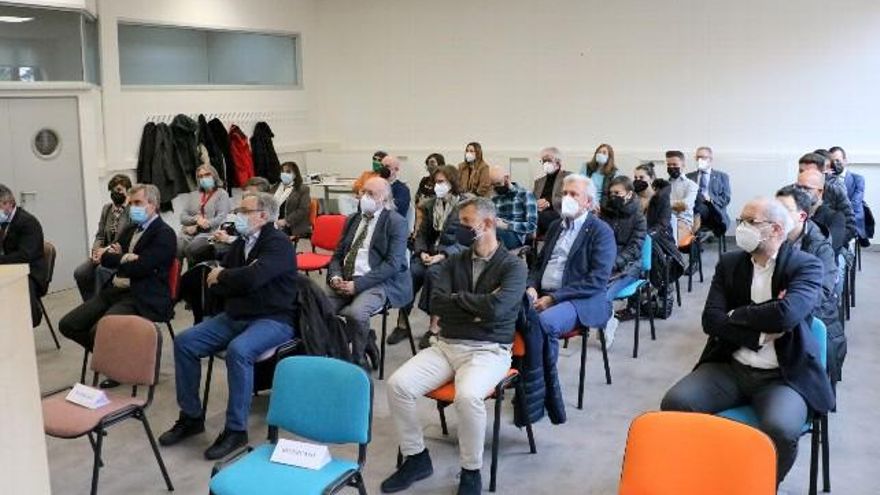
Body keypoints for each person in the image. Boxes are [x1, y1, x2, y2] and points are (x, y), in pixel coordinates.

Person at [660, 197, 835, 484]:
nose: (741, 227)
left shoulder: (806, 266)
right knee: (675, 403)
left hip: (783, 376)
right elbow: (711, 320)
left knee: (781, 429)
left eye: (750, 222)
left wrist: (736, 314)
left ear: (776, 229)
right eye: (741, 220)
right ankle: (702, 477)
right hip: (731, 367)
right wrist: (760, 332)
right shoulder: (730, 263)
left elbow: (787, 315)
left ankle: (762, 485)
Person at [381, 197, 527, 495]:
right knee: (397, 385)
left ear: (488, 224)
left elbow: (499, 310)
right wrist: (476, 307)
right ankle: (416, 457)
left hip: (489, 350)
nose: (459, 229)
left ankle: (471, 471)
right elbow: (436, 303)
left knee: (468, 397)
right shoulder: (453, 261)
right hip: (447, 345)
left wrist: (458, 303)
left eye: (466, 223)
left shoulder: (514, 266)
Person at [159, 192, 298, 460]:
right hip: (237, 314)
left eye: (244, 211)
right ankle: (191, 416)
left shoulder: (278, 243)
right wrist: (233, 278)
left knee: (239, 351)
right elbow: (219, 282)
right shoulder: (242, 242)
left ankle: (236, 430)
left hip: (273, 318)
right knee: (185, 342)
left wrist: (228, 277)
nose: (237, 215)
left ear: (263, 216)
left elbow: (251, 278)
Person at [59, 184, 176, 381]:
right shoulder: (130, 229)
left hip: (143, 295)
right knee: (68, 324)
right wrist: (125, 257)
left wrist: (120, 258)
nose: (133, 208)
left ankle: (117, 365)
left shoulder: (164, 233)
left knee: (101, 330)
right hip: (115, 290)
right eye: (131, 204)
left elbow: (142, 268)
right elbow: (105, 259)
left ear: (153, 205)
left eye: (138, 203)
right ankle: (118, 359)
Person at [328, 177, 412, 370]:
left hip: (379, 281)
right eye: (363, 192)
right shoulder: (352, 219)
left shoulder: (396, 222)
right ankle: (362, 341)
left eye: (370, 194)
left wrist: (358, 285)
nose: (364, 197)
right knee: (318, 308)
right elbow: (337, 255)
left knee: (356, 314)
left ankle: (358, 360)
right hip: (346, 277)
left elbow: (392, 264)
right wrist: (335, 276)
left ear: (384, 199)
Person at [526, 174, 616, 351]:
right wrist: (531, 286)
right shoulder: (555, 226)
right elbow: (538, 265)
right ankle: (523, 367)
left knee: (543, 323)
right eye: (564, 193)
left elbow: (597, 280)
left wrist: (553, 298)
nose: (567, 198)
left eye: (574, 194)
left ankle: (544, 370)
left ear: (588, 202)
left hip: (579, 300)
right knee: (506, 316)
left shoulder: (601, 231)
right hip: (543, 294)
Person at [386, 165, 470, 349]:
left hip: (453, 255)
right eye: (435, 182)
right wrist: (422, 251)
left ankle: (434, 328)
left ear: (452, 183)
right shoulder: (431, 205)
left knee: (434, 274)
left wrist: (443, 255)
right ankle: (402, 324)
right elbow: (422, 234)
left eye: (441, 182)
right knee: (411, 272)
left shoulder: (465, 206)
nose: (437, 186)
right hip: (430, 253)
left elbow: (466, 241)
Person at [776, 186, 845, 385]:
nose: (775, 216)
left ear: (802, 216)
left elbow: (820, 293)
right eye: (774, 209)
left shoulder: (820, 247)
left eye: (783, 210)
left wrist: (789, 303)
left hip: (814, 316)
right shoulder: (771, 237)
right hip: (778, 313)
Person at [598, 176, 647, 344]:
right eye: (611, 193)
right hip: (605, 263)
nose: (613, 197)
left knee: (605, 295)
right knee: (588, 289)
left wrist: (614, 263)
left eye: (617, 193)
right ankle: (606, 319)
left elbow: (635, 248)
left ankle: (608, 322)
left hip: (629, 266)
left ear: (629, 194)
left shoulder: (638, 217)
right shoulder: (604, 214)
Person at [73, 175, 132, 302]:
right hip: (101, 253)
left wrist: (104, 251)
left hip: (118, 254)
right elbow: (100, 235)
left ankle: (99, 305)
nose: (115, 193)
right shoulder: (107, 209)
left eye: (119, 190)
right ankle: (89, 303)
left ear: (128, 191)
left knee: (101, 270)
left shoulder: (132, 211)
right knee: (80, 273)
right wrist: (95, 252)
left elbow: (125, 240)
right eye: (112, 191)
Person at [0, 183, 48, 327]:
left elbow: (24, 256)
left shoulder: (28, 222)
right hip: (10, 269)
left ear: (8, 203)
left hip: (31, 273)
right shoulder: (4, 221)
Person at [178, 164, 231, 265]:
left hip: (210, 233)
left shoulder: (222, 194)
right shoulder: (194, 195)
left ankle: (195, 272)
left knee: (193, 248)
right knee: (177, 245)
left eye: (207, 175)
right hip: (189, 232)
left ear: (214, 176)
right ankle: (176, 274)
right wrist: (196, 219)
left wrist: (199, 226)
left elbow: (221, 217)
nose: (203, 178)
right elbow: (183, 217)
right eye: (200, 176)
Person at [797, 152, 856, 245]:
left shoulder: (836, 192)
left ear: (822, 173)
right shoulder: (791, 194)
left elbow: (850, 226)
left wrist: (829, 246)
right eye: (801, 171)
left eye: (810, 172)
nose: (804, 175)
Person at [797, 170, 847, 253]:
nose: (801, 192)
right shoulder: (793, 214)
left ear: (820, 192)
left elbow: (828, 250)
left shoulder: (835, 218)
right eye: (798, 188)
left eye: (807, 188)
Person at [685, 146, 731, 239]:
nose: (700, 160)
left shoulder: (722, 176)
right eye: (698, 157)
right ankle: (696, 236)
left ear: (710, 159)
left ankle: (692, 235)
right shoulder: (688, 177)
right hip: (692, 209)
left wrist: (710, 199)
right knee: (697, 201)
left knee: (700, 204)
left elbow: (726, 198)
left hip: (713, 211)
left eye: (703, 157)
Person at [488, 165, 538, 249]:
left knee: (489, 236)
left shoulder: (525, 195)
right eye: (493, 185)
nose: (496, 187)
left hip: (515, 235)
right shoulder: (494, 198)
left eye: (498, 183)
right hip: (496, 231)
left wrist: (507, 225)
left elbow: (532, 226)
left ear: (507, 178)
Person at [830, 146, 867, 241]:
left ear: (845, 161)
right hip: (832, 219)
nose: (834, 164)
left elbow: (855, 204)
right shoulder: (826, 179)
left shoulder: (858, 179)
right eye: (832, 161)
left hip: (852, 218)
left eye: (837, 160)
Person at [533, 147, 571, 237]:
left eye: (548, 160)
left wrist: (548, 202)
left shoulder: (568, 177)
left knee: (540, 217)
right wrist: (536, 204)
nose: (546, 163)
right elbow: (532, 199)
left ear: (558, 162)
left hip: (559, 213)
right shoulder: (539, 182)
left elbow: (571, 198)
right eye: (543, 161)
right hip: (539, 213)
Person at [666, 150, 699, 244]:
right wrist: (674, 205)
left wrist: (665, 204)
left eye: (674, 164)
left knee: (670, 238)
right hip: (665, 220)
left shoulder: (691, 185)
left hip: (683, 222)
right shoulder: (664, 184)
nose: (671, 167)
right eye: (669, 165)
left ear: (683, 165)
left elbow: (684, 206)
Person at [633, 164, 673, 241]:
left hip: (657, 239)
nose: (638, 180)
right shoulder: (633, 198)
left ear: (651, 179)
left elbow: (662, 224)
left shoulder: (661, 198)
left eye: (641, 177)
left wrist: (646, 236)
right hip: (636, 237)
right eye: (635, 178)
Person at [272, 161, 312, 238]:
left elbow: (303, 210)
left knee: (272, 237)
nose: (284, 174)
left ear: (295, 174)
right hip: (273, 222)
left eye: (288, 172)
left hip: (292, 225)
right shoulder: (275, 188)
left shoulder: (302, 189)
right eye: (282, 172)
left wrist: (286, 221)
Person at [413, 153, 445, 234]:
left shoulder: (443, 182)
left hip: (435, 214)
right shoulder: (424, 180)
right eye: (428, 163)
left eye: (432, 163)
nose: (429, 166)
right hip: (421, 213)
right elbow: (418, 196)